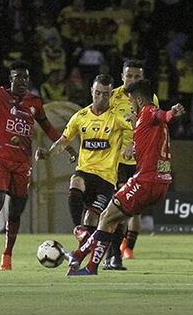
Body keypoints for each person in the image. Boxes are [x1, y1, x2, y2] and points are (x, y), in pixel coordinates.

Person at [0, 30, 76, 270]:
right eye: (18, 78)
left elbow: (48, 128)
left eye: (26, 78)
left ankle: (7, 256)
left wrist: (66, 146)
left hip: (23, 164)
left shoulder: (34, 102)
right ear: (11, 79)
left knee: (16, 213)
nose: (23, 82)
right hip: (1, 159)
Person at [65, 79, 185, 276]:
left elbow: (162, 115)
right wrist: (134, 148)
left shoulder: (148, 111)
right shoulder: (145, 123)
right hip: (161, 183)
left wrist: (171, 113)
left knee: (105, 216)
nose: (130, 105)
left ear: (138, 99)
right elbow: (151, 143)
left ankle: (79, 255)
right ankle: (89, 266)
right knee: (111, 221)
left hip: (145, 181)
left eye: (131, 101)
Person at [36, 74, 132, 255]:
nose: (101, 98)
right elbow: (63, 141)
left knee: (93, 217)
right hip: (85, 171)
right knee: (76, 181)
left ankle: (84, 253)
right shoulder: (80, 117)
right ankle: (78, 229)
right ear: (91, 92)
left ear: (111, 94)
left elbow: (138, 129)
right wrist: (48, 153)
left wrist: (132, 145)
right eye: (98, 93)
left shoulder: (117, 117)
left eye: (106, 94)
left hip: (106, 179)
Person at [109, 59, 159, 267]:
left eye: (137, 76)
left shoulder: (150, 98)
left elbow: (153, 128)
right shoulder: (112, 96)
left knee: (135, 210)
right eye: (129, 75)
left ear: (143, 78)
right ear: (122, 77)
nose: (132, 80)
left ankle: (127, 247)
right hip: (116, 161)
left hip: (140, 161)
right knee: (117, 208)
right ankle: (115, 251)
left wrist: (138, 147)